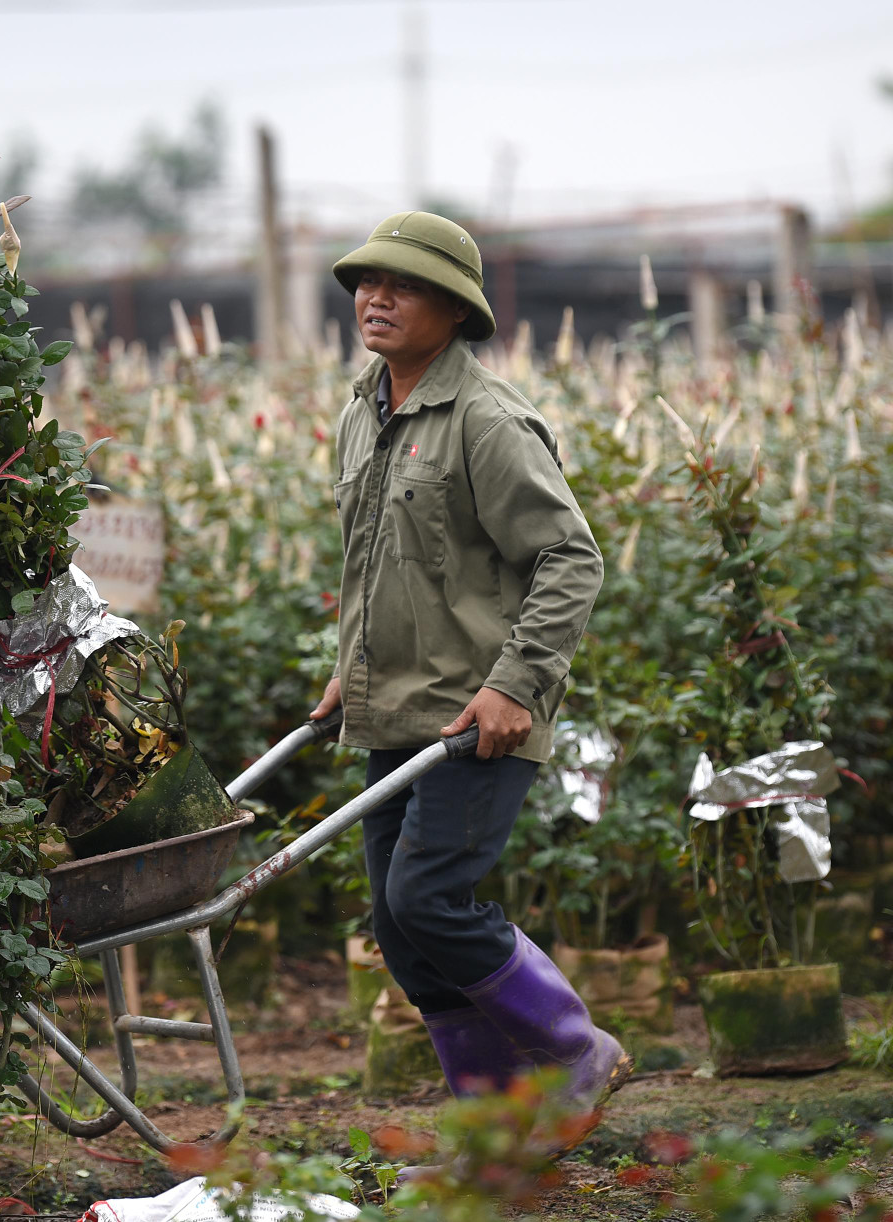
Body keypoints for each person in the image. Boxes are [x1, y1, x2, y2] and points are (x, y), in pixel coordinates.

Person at [309, 211, 626, 1143]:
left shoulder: (486, 420)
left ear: (454, 309)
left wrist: (517, 684)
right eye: (367, 282)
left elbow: (571, 559)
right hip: (394, 714)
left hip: (480, 719)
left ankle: (576, 1052)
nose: (376, 297)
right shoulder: (361, 417)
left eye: (401, 285)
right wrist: (346, 674)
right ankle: (490, 1138)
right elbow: (374, 568)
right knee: (400, 931)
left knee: (430, 902)